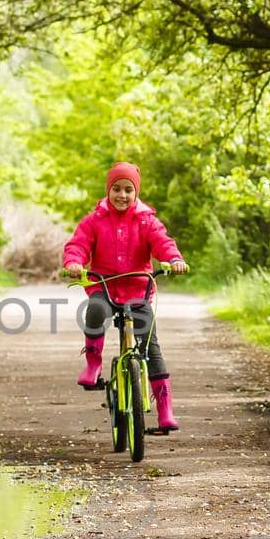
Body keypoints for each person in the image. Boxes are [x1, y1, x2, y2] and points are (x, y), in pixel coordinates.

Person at [59, 161, 186, 433]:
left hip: (138, 290)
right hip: (103, 286)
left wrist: (174, 259)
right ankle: (93, 363)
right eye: (116, 189)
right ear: (108, 190)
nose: (122, 195)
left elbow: (163, 243)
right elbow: (78, 245)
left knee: (150, 344)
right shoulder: (94, 220)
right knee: (94, 311)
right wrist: (73, 263)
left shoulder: (147, 220)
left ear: (136, 192)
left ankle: (165, 408)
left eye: (129, 190)